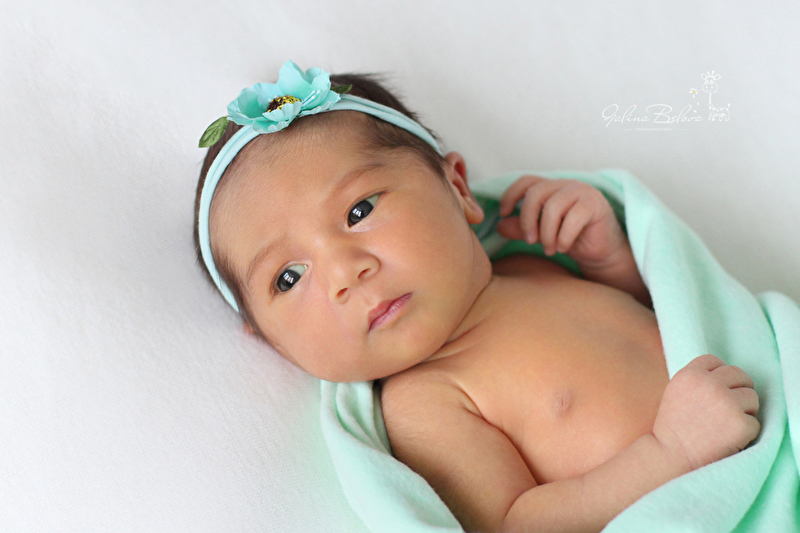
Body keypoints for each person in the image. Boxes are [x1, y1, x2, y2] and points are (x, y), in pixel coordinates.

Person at [193, 61, 761, 533]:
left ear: (458, 188)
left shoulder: (531, 265)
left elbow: (672, 318)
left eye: (359, 210)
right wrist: (671, 452)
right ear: (269, 339)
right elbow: (517, 522)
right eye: (288, 277)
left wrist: (611, 260)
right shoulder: (425, 403)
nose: (345, 271)